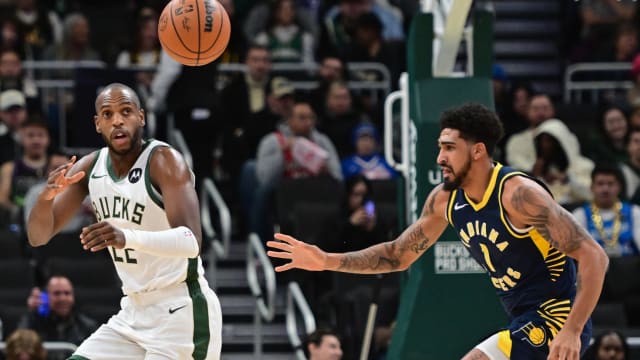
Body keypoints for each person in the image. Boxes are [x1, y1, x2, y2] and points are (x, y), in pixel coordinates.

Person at [267, 103, 609, 359]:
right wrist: (326, 259)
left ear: (477, 151)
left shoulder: (518, 195)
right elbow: (397, 255)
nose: (439, 157)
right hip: (521, 315)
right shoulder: (446, 199)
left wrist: (573, 330)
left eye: (449, 147)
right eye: (440, 147)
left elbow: (594, 256)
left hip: (557, 316)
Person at [26, 83, 222, 359]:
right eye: (107, 114)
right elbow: (38, 236)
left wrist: (126, 236)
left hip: (181, 312)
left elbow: (192, 242)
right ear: (97, 124)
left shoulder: (164, 161)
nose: (117, 120)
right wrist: (46, 198)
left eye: (125, 111)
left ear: (140, 117)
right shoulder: (91, 168)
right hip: (133, 312)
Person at [572, 164, 640, 257]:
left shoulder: (634, 212)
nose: (605, 189)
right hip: (594, 269)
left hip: (630, 268)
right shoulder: (580, 214)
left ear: (619, 187)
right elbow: (575, 252)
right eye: (600, 184)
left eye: (610, 184)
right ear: (592, 187)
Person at [18, 275, 98, 347]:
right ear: (46, 297)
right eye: (57, 293)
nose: (62, 298)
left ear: (73, 297)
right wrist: (31, 313)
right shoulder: (32, 322)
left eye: (67, 293)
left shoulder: (87, 327)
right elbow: (20, 343)